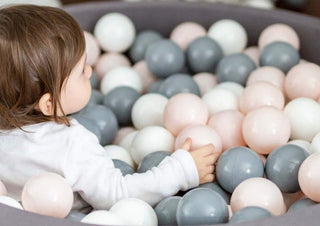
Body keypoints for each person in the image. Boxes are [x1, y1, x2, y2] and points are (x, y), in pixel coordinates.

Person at [0, 5, 219, 212]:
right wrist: (181, 171)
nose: (89, 72)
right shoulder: (72, 144)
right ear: (49, 104)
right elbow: (117, 194)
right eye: (80, 73)